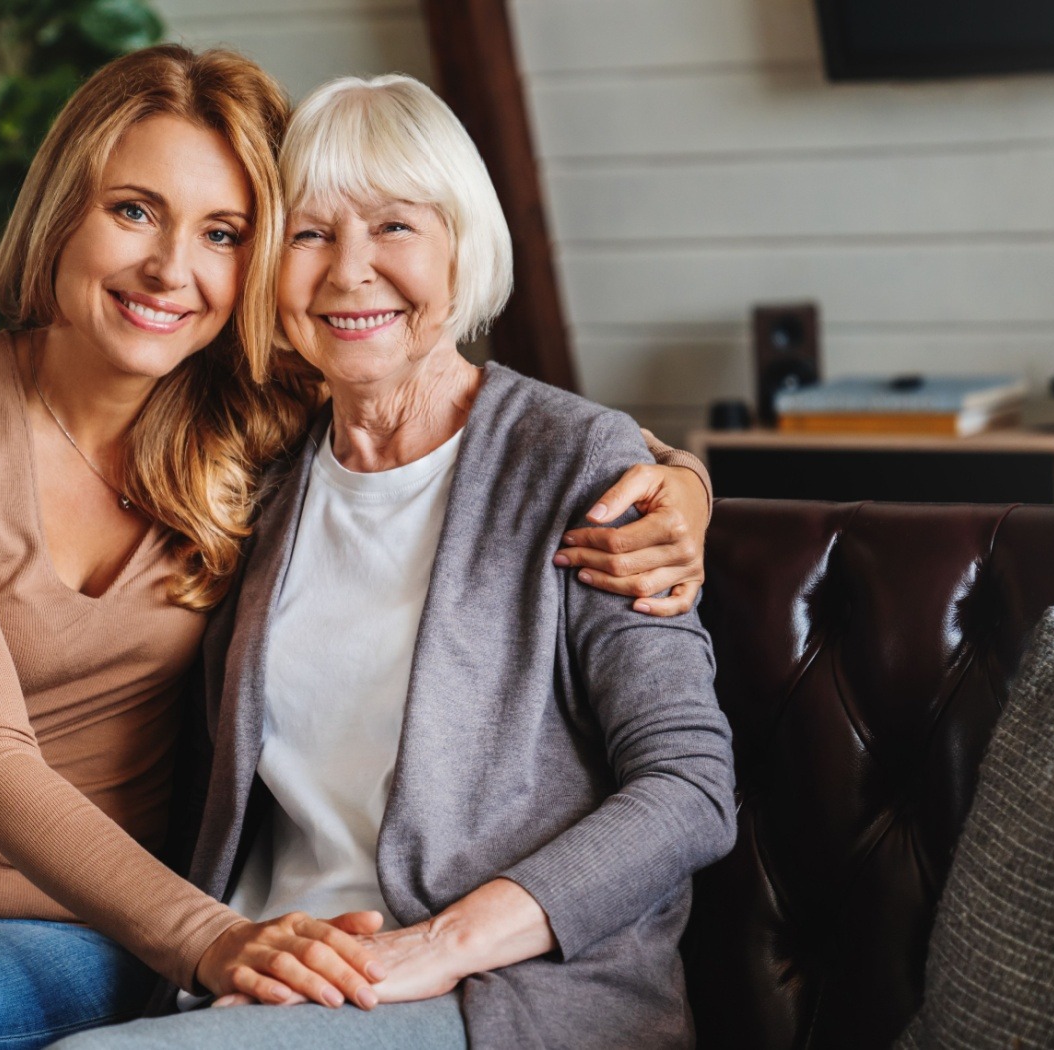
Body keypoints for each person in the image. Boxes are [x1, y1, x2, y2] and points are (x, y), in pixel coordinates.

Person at [0, 46, 715, 1050]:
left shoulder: (259, 417)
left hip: (72, 922)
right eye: (134, 211)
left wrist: (684, 485)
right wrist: (216, 940)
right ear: (62, 215)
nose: (172, 268)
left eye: (224, 233)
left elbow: (474, 421)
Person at [51, 73, 737, 1050]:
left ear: (464, 246)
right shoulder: (264, 478)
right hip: (265, 980)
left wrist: (437, 946)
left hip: (489, 999)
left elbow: (688, 791)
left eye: (395, 228)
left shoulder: (580, 468)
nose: (348, 271)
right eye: (310, 233)